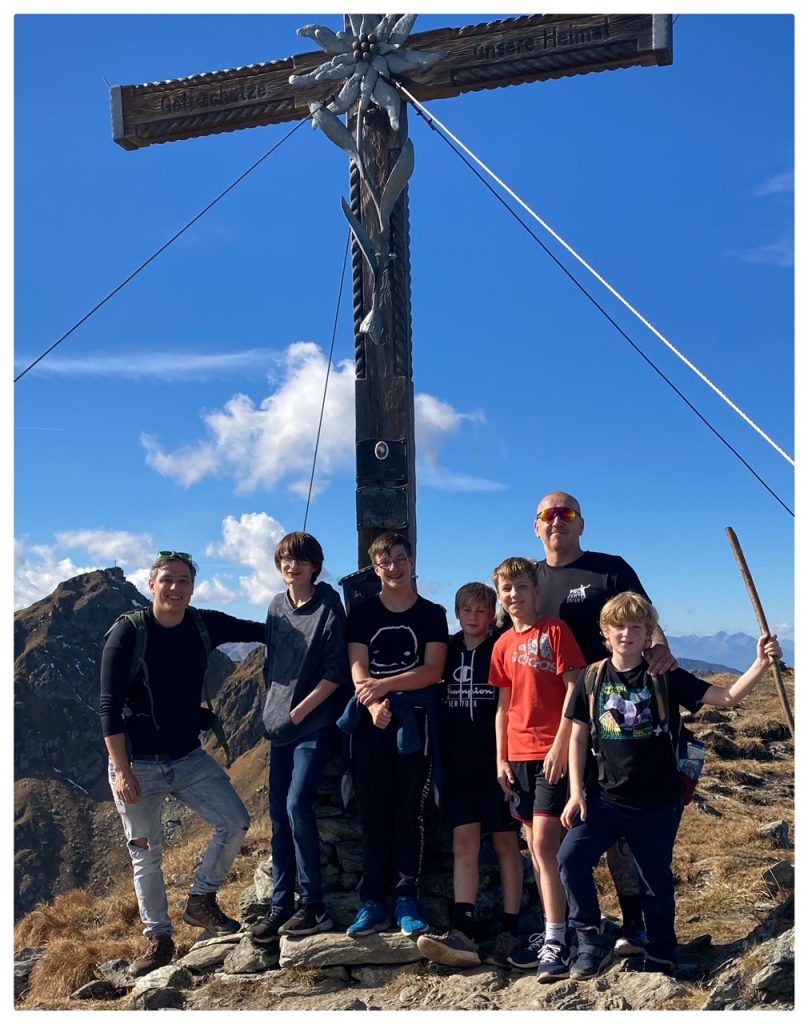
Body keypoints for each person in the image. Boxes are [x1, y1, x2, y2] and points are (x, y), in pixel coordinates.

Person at [558, 591, 782, 979]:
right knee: (570, 858)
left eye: (636, 626)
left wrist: (761, 663)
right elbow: (577, 737)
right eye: (618, 626)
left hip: (657, 803)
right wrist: (576, 792)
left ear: (648, 634)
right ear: (605, 632)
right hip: (604, 798)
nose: (626, 633)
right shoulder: (591, 678)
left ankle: (662, 955)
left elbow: (726, 697)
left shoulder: (664, 675)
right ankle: (590, 939)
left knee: (654, 881)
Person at [100, 551, 265, 978]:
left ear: (193, 587)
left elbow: (263, 630)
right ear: (151, 584)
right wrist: (122, 771)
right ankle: (159, 940)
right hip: (137, 763)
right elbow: (109, 708)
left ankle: (201, 900)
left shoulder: (202, 624)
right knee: (146, 854)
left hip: (189, 757)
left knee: (235, 821)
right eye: (167, 580)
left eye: (184, 581)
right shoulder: (128, 633)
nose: (175, 588)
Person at [533, 489, 677, 956]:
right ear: (537, 527)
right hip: (550, 722)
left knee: (622, 830)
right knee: (557, 830)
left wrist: (659, 649)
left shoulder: (609, 568)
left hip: (617, 718)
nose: (557, 520)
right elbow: (506, 626)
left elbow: (645, 617)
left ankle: (634, 926)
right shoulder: (531, 578)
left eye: (566, 513)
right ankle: (567, 927)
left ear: (581, 523)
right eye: (548, 515)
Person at [342, 532, 448, 938]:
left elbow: (432, 670)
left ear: (412, 561)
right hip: (370, 724)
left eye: (400, 559)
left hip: (414, 723)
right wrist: (372, 706)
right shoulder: (362, 613)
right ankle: (372, 901)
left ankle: (406, 898)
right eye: (385, 562)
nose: (394, 568)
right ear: (375, 568)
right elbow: (358, 667)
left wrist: (383, 688)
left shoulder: (432, 614)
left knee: (409, 812)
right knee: (372, 812)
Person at [248, 532, 351, 944]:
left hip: (313, 722)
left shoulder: (329, 606)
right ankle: (280, 905)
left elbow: (335, 673)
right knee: (277, 816)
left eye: (301, 560)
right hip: (280, 727)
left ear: (315, 566)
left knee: (296, 805)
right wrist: (277, 713)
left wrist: (298, 712)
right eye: (286, 560)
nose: (292, 566)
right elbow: (272, 664)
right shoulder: (276, 606)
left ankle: (314, 905)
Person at [416, 582, 524, 969]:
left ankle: (511, 929)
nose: (474, 617)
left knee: (506, 843)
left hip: (498, 763)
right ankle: (463, 930)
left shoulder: (503, 646)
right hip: (458, 765)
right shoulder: (446, 650)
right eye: (467, 610)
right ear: (457, 612)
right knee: (464, 842)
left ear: (492, 613)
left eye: (481, 610)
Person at [488, 557, 586, 983]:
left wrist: (562, 744)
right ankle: (558, 931)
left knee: (546, 846)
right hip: (518, 756)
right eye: (506, 589)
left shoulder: (555, 631)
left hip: (551, 752)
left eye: (521, 586)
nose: (514, 595)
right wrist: (501, 758)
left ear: (535, 590)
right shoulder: (502, 645)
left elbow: (575, 688)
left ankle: (557, 939)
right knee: (535, 848)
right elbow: (503, 706)